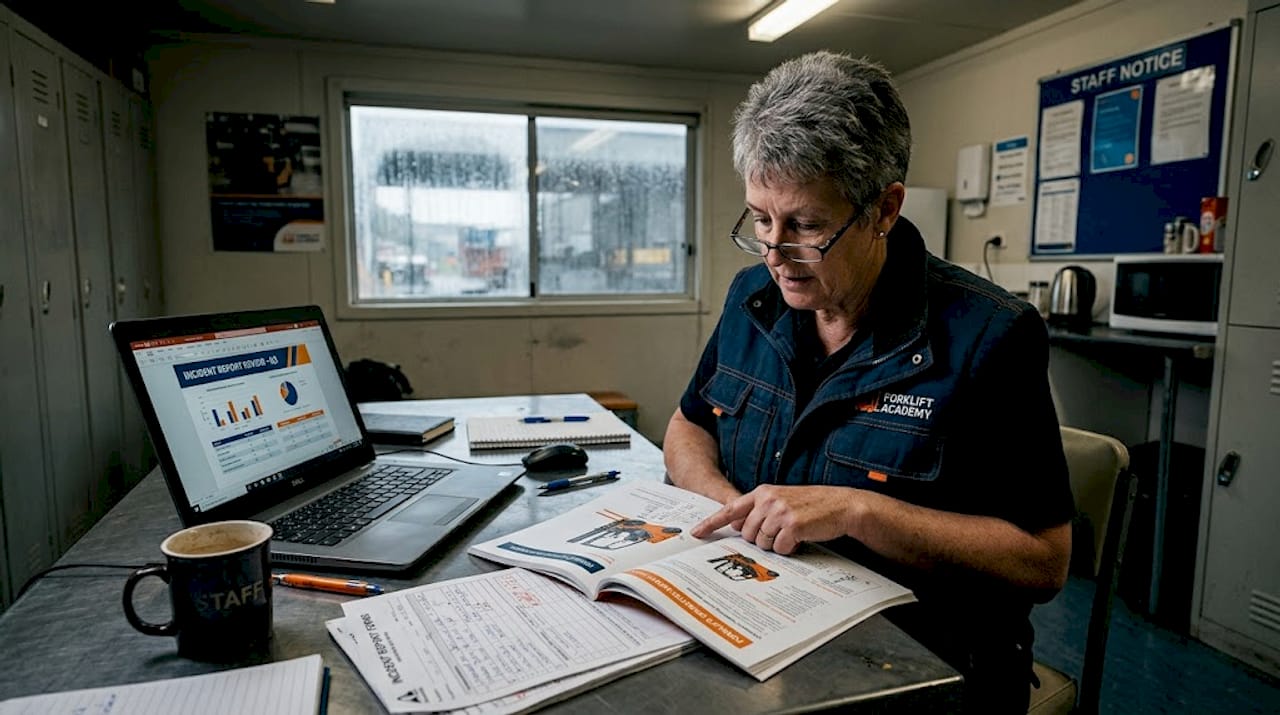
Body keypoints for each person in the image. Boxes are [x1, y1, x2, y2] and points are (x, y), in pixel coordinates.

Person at [663, 50, 1074, 713]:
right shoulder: (752, 298)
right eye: (761, 220)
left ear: (884, 209)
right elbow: (688, 426)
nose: (774, 254)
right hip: (763, 617)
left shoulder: (991, 336)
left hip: (927, 659)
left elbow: (1043, 559)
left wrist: (857, 511)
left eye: (806, 225)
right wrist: (728, 511)